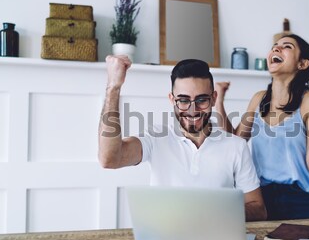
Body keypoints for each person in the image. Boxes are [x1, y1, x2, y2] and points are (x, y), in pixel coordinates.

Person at [98, 56, 267, 221]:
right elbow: (110, 159)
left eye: (201, 100)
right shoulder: (155, 138)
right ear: (172, 99)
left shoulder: (236, 146)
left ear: (214, 99)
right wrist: (113, 87)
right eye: (184, 100)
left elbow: (258, 209)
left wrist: (215, 213)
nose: (192, 110)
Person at [215, 34, 309, 220]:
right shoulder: (259, 99)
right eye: (275, 46)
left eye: (287, 47)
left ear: (302, 64)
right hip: (262, 199)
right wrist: (219, 102)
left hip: (303, 200)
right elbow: (234, 141)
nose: (276, 49)